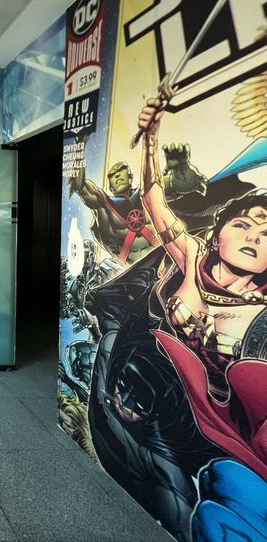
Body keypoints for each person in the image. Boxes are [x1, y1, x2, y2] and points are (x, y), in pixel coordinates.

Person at [137, 97, 267, 482]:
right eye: (243, 225)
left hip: (222, 436)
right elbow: (153, 201)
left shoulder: (261, 314)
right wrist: (150, 140)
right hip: (159, 396)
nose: (254, 237)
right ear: (217, 233)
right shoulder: (193, 257)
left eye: (266, 234)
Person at [69, 140, 206, 264]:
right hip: (134, 273)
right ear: (110, 186)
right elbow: (79, 185)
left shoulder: (148, 192)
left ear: (130, 177)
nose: (117, 174)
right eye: (112, 174)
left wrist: (181, 172)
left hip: (167, 261)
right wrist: (79, 148)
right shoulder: (102, 205)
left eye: (121, 170)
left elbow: (178, 183)